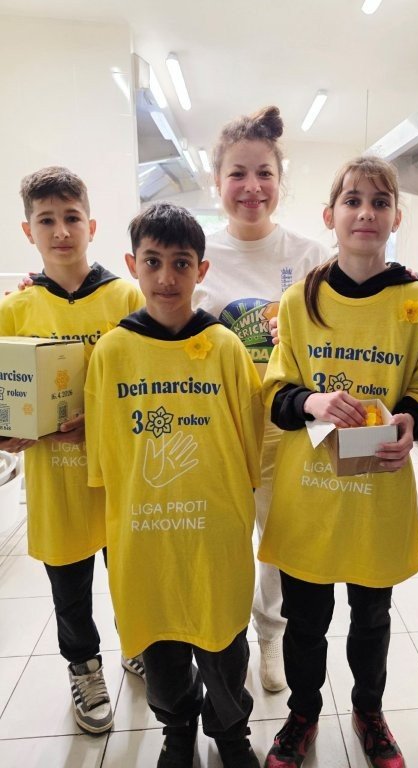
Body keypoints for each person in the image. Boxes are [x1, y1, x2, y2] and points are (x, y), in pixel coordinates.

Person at [258, 156, 418, 768]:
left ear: (396, 217)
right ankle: (302, 714)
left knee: (372, 618)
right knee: (305, 620)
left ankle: (369, 711)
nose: (366, 213)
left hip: (376, 490)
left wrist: (409, 421)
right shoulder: (299, 301)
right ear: (329, 215)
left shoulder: (417, 301)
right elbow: (277, 395)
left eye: (380, 202)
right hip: (310, 496)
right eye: (353, 201)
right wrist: (312, 401)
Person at [84, 202, 264, 768]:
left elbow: (250, 442)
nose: (166, 277)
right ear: (131, 265)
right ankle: (177, 728)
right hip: (144, 531)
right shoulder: (113, 351)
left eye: (181, 263)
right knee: (159, 645)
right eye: (153, 262)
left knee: (223, 644)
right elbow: (105, 454)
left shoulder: (225, 347)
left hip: (215, 529)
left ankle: (231, 733)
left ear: (201, 271)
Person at [0, 166, 144, 734]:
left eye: (71, 218)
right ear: (28, 230)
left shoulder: (127, 296)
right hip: (55, 479)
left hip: (119, 475)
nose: (61, 231)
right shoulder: (15, 310)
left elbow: (147, 382)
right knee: (68, 584)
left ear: (92, 225)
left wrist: (102, 422)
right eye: (46, 221)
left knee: (130, 571)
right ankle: (84, 667)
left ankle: (138, 644)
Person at [193, 105, 328, 692]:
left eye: (264, 173)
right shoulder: (197, 255)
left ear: (280, 179)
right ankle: (223, 639)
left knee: (276, 541)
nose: (252, 187)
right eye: (238, 173)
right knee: (222, 541)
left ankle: (270, 636)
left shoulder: (309, 255)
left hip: (287, 429)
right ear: (216, 180)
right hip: (218, 429)